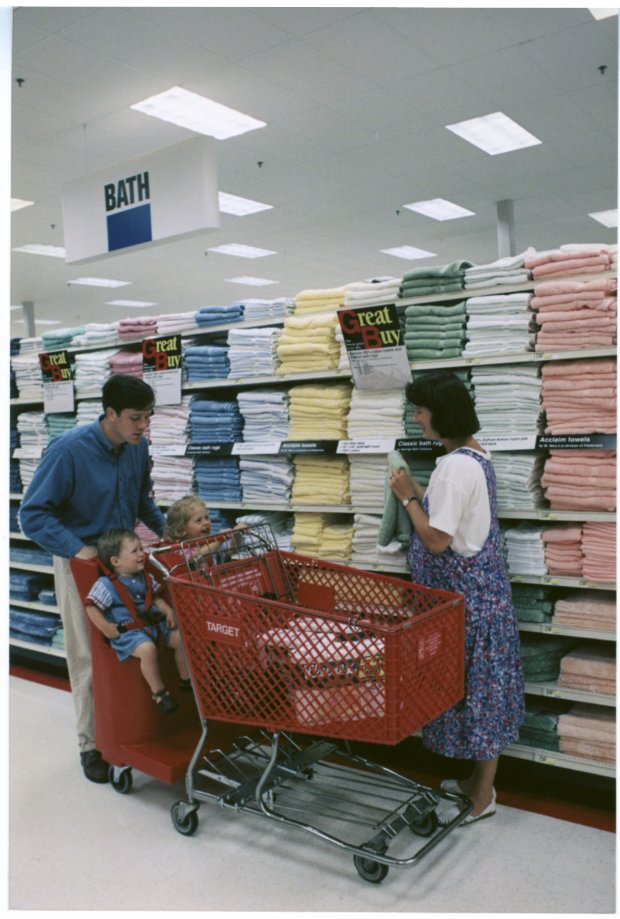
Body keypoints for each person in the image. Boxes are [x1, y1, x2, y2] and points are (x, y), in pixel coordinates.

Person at [389, 369, 525, 825]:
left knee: (479, 700)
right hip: (487, 599)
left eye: (421, 410)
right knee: (487, 696)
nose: (416, 418)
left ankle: (482, 797)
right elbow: (458, 514)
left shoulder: (452, 466)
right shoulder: (476, 458)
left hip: (467, 605)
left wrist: (409, 498)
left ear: (440, 414)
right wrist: (423, 493)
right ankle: (476, 783)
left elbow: (436, 541)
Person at [19, 374, 166, 783]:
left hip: (126, 560)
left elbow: (142, 500)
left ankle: (129, 730)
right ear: (110, 413)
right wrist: (75, 549)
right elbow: (32, 514)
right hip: (82, 564)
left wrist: (170, 533)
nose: (143, 426)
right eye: (136, 418)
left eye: (148, 418)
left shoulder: (137, 449)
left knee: (138, 642)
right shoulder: (68, 452)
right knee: (87, 654)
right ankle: (90, 745)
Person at [85, 529, 190, 713]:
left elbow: (156, 598)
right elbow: (91, 606)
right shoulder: (106, 585)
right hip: (130, 633)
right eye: (135, 551)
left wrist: (168, 611)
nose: (142, 554)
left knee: (181, 639)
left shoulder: (145, 577)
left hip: (154, 626)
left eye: (141, 548)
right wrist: (106, 628)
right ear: (116, 561)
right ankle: (160, 693)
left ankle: (185, 680)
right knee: (148, 650)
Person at [164, 495, 247, 566]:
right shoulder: (179, 549)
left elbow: (230, 553)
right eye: (198, 520)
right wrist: (219, 539)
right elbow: (195, 558)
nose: (206, 522)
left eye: (207, 517)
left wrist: (237, 534)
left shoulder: (207, 542)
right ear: (181, 529)